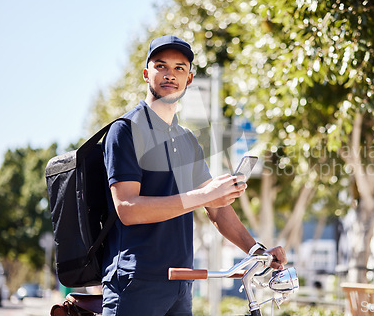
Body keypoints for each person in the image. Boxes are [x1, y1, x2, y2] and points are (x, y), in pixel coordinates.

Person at [101, 35, 287, 316]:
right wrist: (203, 195)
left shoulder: (187, 140)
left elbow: (217, 210)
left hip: (181, 283)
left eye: (179, 68)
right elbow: (128, 209)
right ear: (146, 73)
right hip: (136, 283)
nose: (170, 75)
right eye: (161, 66)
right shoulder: (126, 130)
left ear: (188, 79)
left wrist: (256, 251)